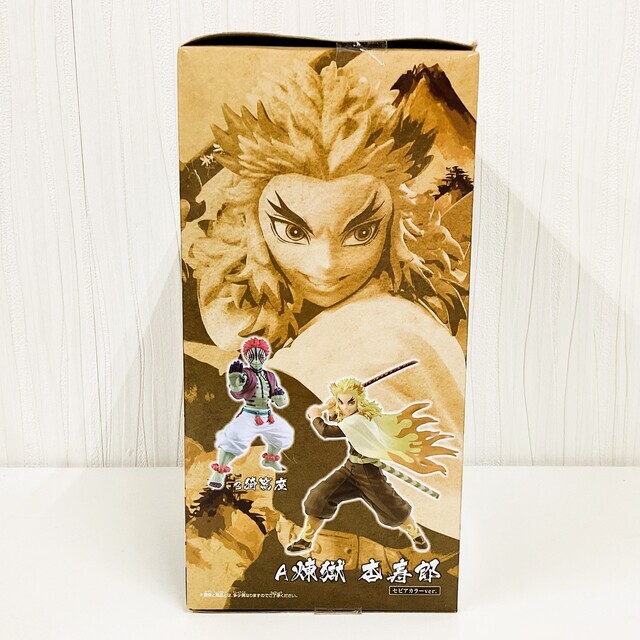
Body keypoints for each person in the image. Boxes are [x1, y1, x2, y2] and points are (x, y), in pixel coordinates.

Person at [286, 377, 456, 554]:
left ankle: (415, 534)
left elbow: (327, 431)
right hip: (350, 468)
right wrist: (331, 411)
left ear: (359, 400)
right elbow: (342, 422)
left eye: (350, 402)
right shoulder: (352, 417)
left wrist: (315, 416)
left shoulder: (360, 419)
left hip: (368, 473)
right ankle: (306, 539)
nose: (345, 407)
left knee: (392, 507)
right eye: (341, 402)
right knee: (319, 496)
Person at [208, 337, 294, 489]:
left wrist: (280, 397)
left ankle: (270, 460)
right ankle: (219, 471)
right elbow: (237, 392)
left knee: (284, 433)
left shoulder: (270, 376)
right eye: (252, 356)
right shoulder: (245, 374)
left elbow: (279, 399)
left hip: (267, 416)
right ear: (246, 356)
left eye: (260, 356)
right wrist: (235, 382)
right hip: (249, 414)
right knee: (234, 437)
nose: (256, 361)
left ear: (266, 356)